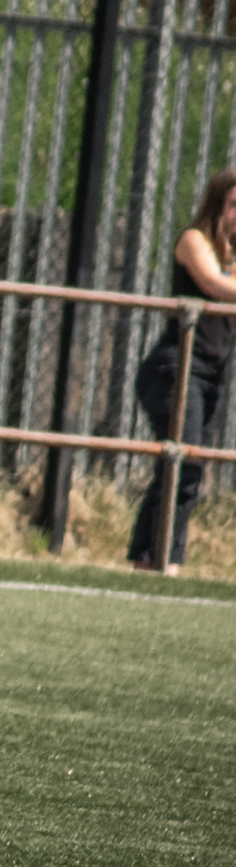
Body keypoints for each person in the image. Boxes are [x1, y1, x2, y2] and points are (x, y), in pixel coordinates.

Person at [127, 166, 236, 571]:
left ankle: (153, 556)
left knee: (187, 467)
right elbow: (212, 285)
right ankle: (158, 557)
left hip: (211, 374)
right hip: (177, 368)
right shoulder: (195, 241)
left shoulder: (232, 255)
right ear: (217, 204)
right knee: (181, 463)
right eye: (233, 205)